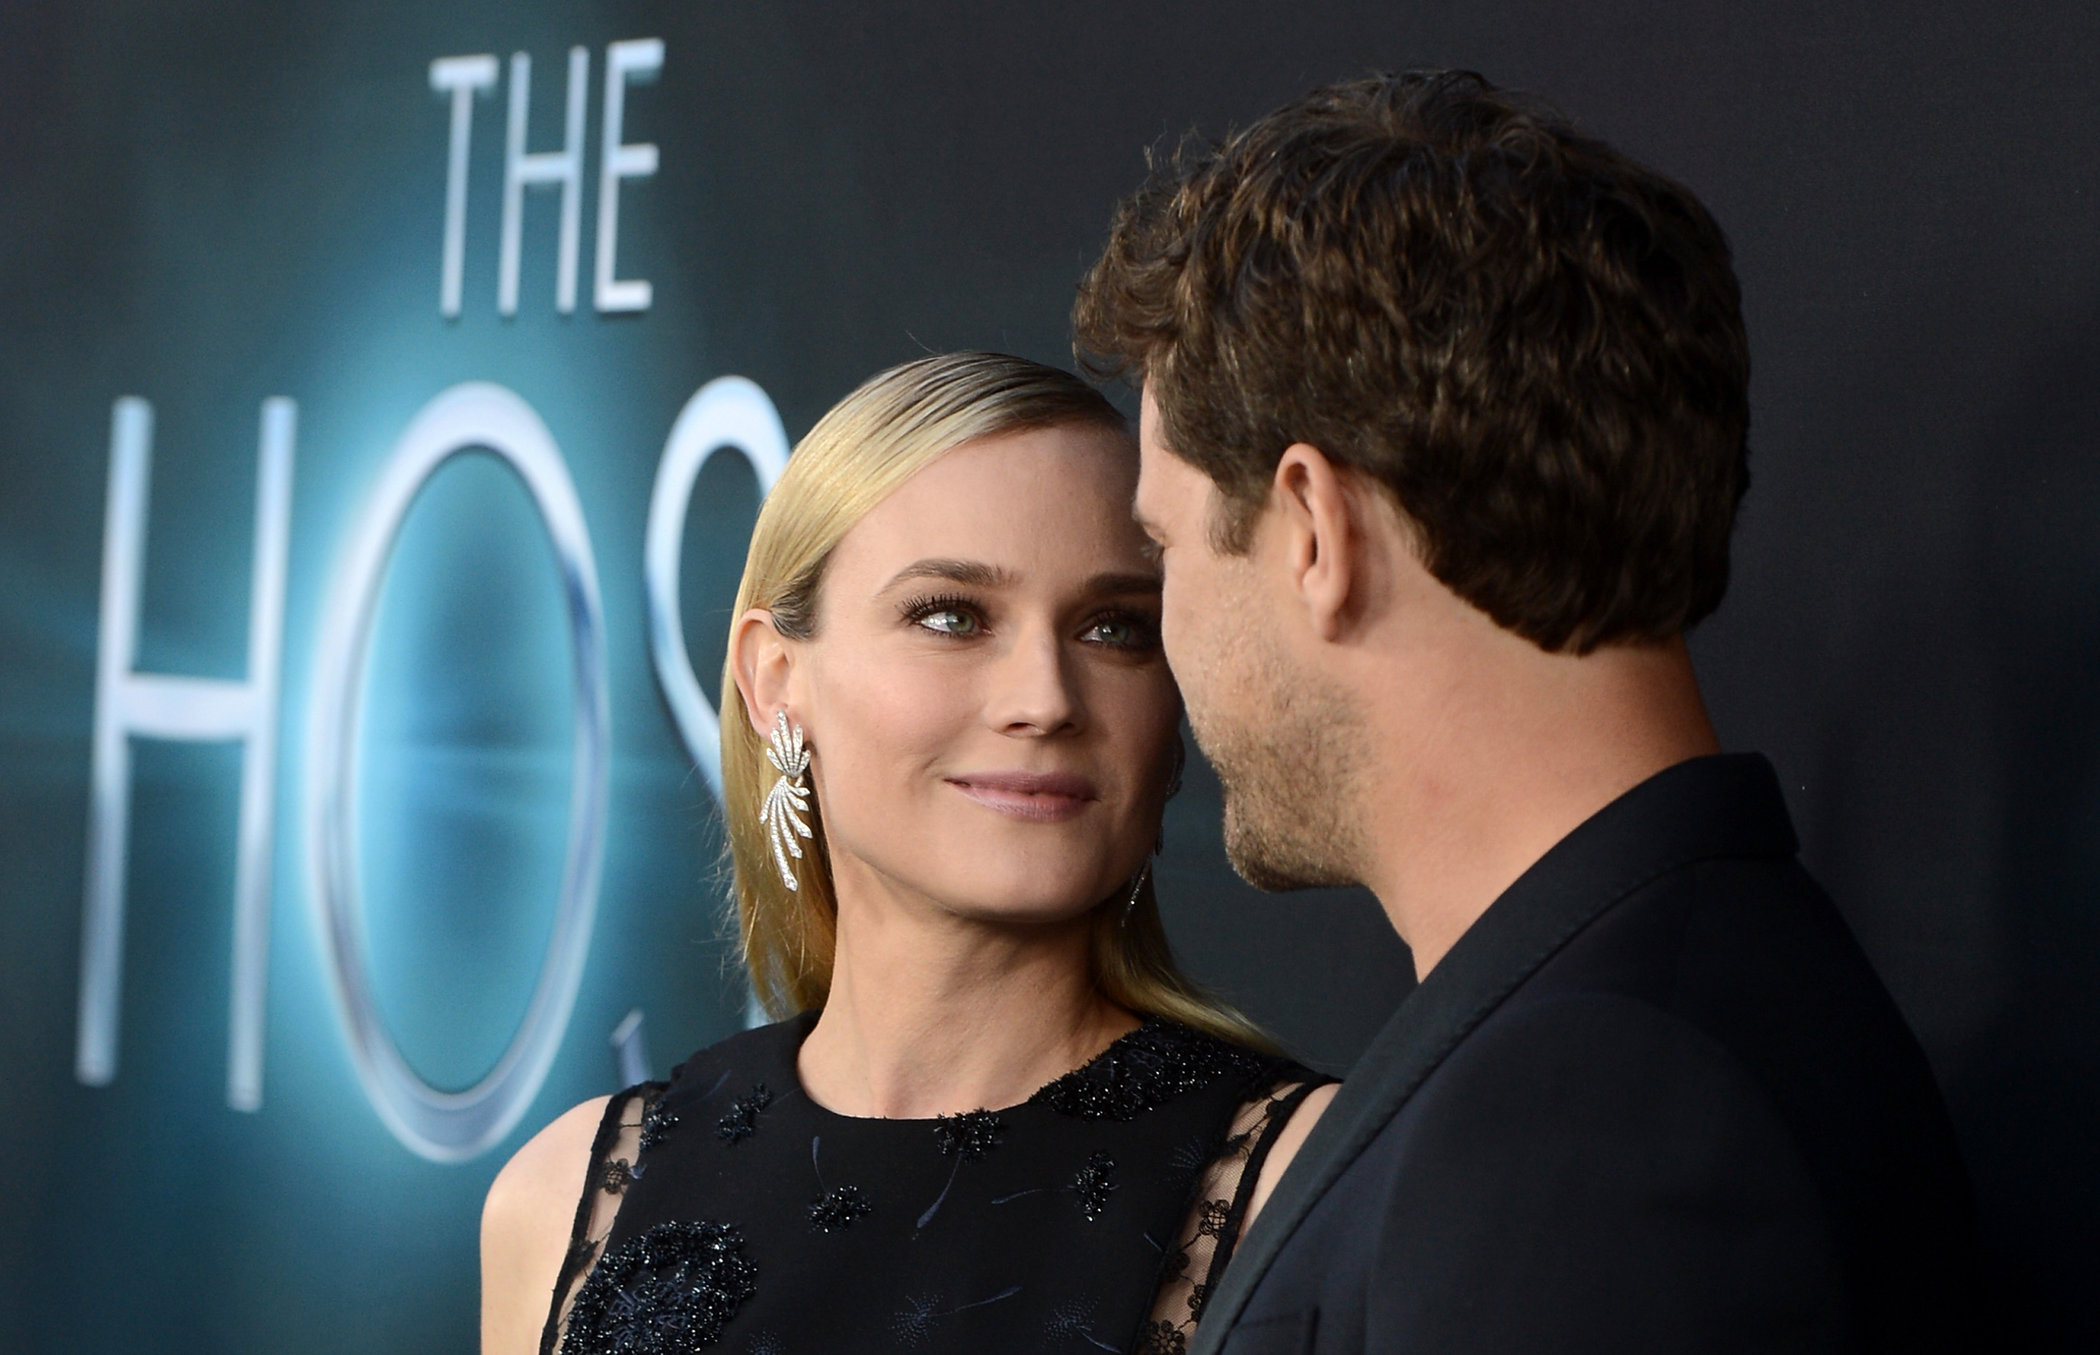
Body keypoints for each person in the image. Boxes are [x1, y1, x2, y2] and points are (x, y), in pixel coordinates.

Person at [1074, 71, 1987, 1354]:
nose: (1163, 637)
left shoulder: (1595, 1117)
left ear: (1313, 530)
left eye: (1167, 548)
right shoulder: (1656, 1008)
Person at [479, 352, 1337, 1355]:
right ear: (775, 679)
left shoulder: (1307, 1186)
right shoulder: (562, 1198)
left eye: (1115, 628)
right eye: (951, 616)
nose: (1047, 697)